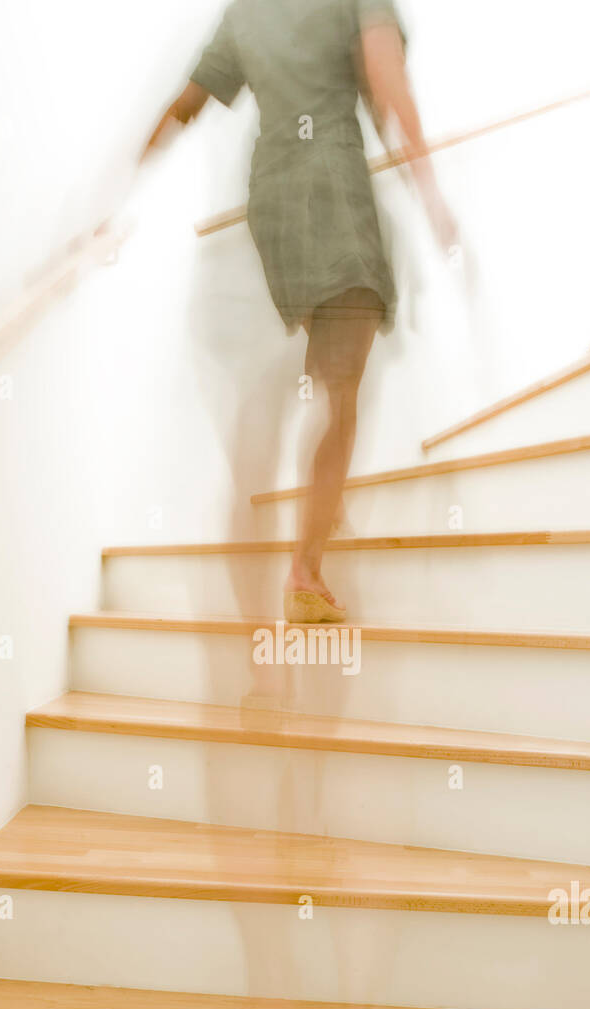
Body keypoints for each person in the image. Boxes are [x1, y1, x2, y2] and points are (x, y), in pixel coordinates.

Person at [140, 0, 458, 622]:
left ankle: (324, 502)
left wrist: (121, 185)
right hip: (330, 185)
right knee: (343, 392)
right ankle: (306, 569)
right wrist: (433, 193)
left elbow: (186, 103)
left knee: (328, 357)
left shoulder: (247, 10)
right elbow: (389, 86)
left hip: (274, 195)